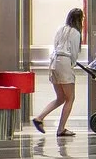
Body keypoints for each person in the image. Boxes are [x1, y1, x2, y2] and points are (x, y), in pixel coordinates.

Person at [32, 7, 83, 137]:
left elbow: (55, 45)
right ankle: (61, 129)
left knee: (60, 98)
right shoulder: (76, 33)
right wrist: (72, 64)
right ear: (79, 19)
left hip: (54, 62)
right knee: (70, 98)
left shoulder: (60, 29)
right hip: (65, 62)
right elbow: (74, 53)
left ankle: (39, 118)